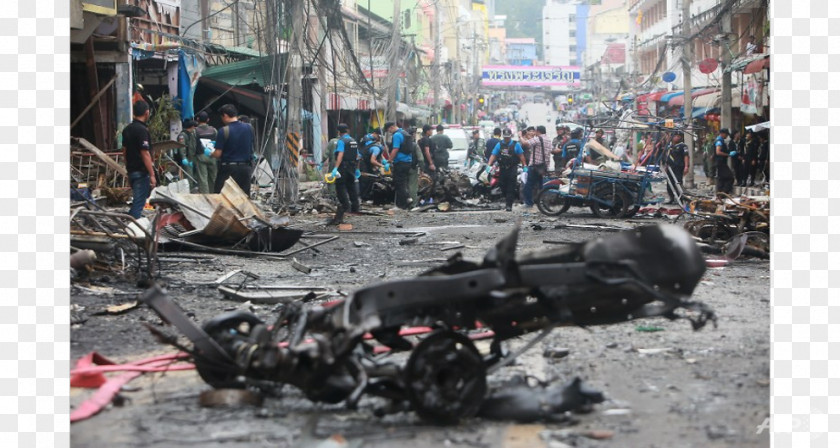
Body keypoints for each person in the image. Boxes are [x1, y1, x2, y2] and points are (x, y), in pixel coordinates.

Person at [209, 104, 254, 195]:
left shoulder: (223, 131)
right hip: (245, 169)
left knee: (222, 196)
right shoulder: (249, 128)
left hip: (228, 169)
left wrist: (210, 153)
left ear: (225, 115)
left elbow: (218, 154)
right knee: (243, 197)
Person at [122, 101, 155, 219]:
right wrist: (152, 174)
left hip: (132, 171)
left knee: (137, 200)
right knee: (139, 203)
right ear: (147, 113)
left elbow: (124, 152)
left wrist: (128, 169)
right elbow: (145, 153)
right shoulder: (142, 130)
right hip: (141, 172)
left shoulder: (127, 130)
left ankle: (131, 223)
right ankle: (133, 228)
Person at [487, 128, 526, 211]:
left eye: (508, 137)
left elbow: (521, 156)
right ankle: (507, 200)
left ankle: (509, 205)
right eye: (505, 137)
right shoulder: (499, 145)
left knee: (510, 187)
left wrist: (524, 165)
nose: (507, 139)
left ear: (511, 136)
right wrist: (489, 164)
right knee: (502, 186)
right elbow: (493, 155)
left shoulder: (516, 145)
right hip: (503, 169)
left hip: (512, 169)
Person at [329, 123, 361, 223]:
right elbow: (358, 156)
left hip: (343, 167)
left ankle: (345, 207)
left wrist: (335, 168)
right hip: (352, 167)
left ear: (339, 132)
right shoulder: (353, 141)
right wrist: (357, 168)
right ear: (347, 130)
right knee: (351, 187)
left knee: (340, 187)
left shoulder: (341, 141)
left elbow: (340, 154)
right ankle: (355, 208)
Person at [520, 125, 552, 209]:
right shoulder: (548, 139)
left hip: (535, 166)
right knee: (542, 186)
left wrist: (520, 136)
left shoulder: (538, 139)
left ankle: (529, 203)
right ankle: (543, 203)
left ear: (538, 131)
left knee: (528, 185)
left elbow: (525, 143)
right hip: (544, 167)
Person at [386, 121, 413, 209]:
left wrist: (389, 160)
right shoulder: (405, 133)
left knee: (399, 183)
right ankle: (408, 198)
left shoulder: (397, 135)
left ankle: (402, 204)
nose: (389, 132)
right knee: (404, 182)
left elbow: (395, 149)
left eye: (388, 130)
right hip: (408, 162)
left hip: (400, 162)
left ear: (392, 127)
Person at [194, 111, 219, 194]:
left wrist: (190, 157)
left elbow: (192, 146)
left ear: (197, 119)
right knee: (213, 177)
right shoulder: (214, 130)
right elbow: (218, 143)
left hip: (201, 156)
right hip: (212, 156)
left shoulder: (195, 131)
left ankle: (206, 197)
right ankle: (214, 195)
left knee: (203, 178)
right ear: (208, 120)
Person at [359, 132, 386, 200]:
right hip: (363, 162)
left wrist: (385, 162)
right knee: (365, 180)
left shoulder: (376, 146)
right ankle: (362, 197)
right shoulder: (377, 149)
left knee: (371, 178)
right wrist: (381, 166)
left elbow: (380, 157)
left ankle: (366, 196)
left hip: (366, 162)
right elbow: (373, 161)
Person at [176, 119, 199, 191]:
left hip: (192, 158)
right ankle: (189, 190)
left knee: (194, 176)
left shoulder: (191, 134)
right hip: (187, 159)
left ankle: (193, 189)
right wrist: (183, 158)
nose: (195, 128)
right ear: (191, 126)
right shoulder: (182, 135)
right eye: (194, 127)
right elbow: (182, 147)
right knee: (189, 177)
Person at [665, 133, 689, 204]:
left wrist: (686, 166)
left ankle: (680, 199)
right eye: (676, 136)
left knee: (678, 182)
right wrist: (666, 166)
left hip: (678, 167)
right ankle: (671, 198)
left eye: (679, 136)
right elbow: (667, 156)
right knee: (669, 183)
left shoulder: (683, 146)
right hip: (670, 167)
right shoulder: (670, 146)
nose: (677, 138)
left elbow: (686, 156)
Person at [714, 128, 736, 194]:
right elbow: (718, 152)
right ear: (722, 134)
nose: (727, 136)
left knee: (721, 178)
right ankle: (724, 192)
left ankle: (720, 193)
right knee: (730, 177)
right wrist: (728, 154)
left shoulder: (721, 140)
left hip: (720, 162)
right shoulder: (719, 141)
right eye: (726, 134)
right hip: (721, 162)